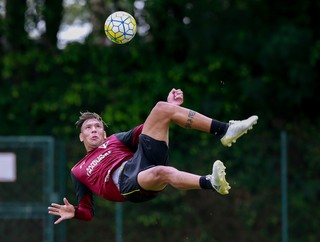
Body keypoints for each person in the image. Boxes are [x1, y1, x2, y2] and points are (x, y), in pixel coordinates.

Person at [48, 88, 258, 224]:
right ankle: (211, 182)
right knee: (163, 172)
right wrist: (74, 211)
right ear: (81, 136)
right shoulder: (78, 170)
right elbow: (88, 211)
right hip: (127, 182)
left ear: (104, 133)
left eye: (97, 126)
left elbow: (152, 123)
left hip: (140, 160)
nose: (93, 129)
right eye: (88, 128)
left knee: (160, 108)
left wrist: (170, 109)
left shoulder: (116, 140)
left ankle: (224, 130)